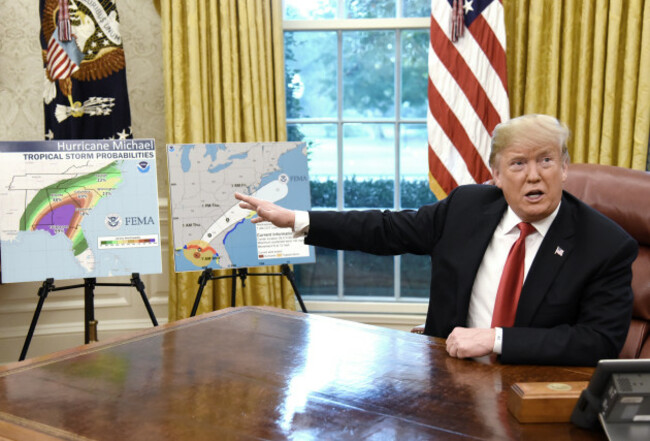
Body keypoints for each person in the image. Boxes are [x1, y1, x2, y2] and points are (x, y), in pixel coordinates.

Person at [235, 114, 638, 366]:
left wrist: (496, 339)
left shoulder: (606, 245)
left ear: (565, 167)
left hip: (531, 389)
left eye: (546, 160)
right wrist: (297, 220)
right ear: (495, 176)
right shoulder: (466, 207)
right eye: (518, 163)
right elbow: (385, 229)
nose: (534, 176)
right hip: (449, 376)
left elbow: (596, 341)